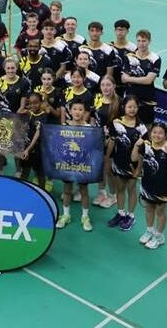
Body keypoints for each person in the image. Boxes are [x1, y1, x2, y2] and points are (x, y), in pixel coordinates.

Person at [132, 122, 167, 249]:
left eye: (160, 133)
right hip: (147, 183)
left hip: (161, 185)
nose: (157, 135)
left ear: (165, 135)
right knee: (149, 208)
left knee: (160, 211)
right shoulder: (146, 145)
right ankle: (149, 231)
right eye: (154, 132)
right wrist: (136, 145)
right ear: (150, 133)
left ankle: (159, 236)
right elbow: (134, 158)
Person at [107, 96, 148, 232]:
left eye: (134, 107)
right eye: (129, 106)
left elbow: (144, 150)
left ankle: (130, 216)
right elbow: (112, 141)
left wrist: (140, 168)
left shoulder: (141, 127)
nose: (132, 109)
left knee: (131, 190)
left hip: (133, 166)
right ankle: (120, 213)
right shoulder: (116, 123)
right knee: (120, 189)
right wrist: (108, 158)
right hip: (119, 162)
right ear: (123, 107)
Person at [55, 101, 95, 232]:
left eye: (80, 109)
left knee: (83, 191)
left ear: (85, 112)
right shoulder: (64, 126)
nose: (77, 112)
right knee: (67, 190)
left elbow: (93, 146)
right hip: (68, 164)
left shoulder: (89, 128)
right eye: (75, 109)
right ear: (70, 111)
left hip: (83, 165)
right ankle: (66, 215)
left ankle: (85, 217)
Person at [0, 57, 31, 175]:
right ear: (4, 69)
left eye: (13, 68)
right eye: (8, 68)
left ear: (17, 68)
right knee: (0, 146)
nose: (10, 70)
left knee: (17, 145)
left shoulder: (24, 82)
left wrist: (14, 119)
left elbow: (22, 105)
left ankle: (18, 171)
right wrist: (2, 118)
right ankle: (0, 170)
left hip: (17, 119)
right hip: (2, 119)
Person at [121, 29, 161, 125]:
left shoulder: (155, 59)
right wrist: (142, 79)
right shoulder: (129, 56)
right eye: (139, 41)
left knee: (146, 126)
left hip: (147, 99)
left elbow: (148, 80)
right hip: (130, 97)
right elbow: (123, 79)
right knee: (128, 124)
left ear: (149, 41)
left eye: (144, 41)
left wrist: (129, 79)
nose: (141, 44)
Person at [92, 75, 120, 208]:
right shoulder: (97, 98)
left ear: (114, 86)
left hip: (112, 141)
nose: (105, 88)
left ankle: (113, 196)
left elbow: (120, 124)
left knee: (109, 170)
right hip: (98, 138)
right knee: (99, 167)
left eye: (108, 85)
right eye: (103, 85)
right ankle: (101, 192)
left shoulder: (119, 103)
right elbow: (93, 117)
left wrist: (110, 138)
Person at [19, 92, 46, 189]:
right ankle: (21, 190)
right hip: (27, 147)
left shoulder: (44, 116)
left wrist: (28, 149)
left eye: (36, 103)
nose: (33, 105)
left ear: (41, 102)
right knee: (25, 171)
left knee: (40, 174)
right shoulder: (29, 113)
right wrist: (25, 107)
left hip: (38, 150)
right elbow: (19, 112)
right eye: (30, 103)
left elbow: (37, 134)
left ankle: (42, 191)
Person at [110, 19, 136, 96]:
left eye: (123, 30)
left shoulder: (133, 49)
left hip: (127, 86)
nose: (120, 32)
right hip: (111, 84)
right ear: (115, 31)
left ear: (127, 31)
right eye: (118, 29)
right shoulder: (109, 47)